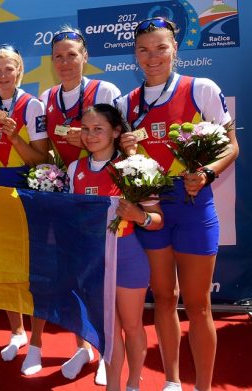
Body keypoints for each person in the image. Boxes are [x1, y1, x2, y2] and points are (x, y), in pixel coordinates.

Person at [116, 17, 238, 391]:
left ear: (175, 49)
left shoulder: (200, 88)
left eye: (160, 48)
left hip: (193, 204)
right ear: (135, 54)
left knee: (199, 305)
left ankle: (202, 386)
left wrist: (206, 174)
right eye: (143, 49)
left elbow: (232, 145)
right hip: (152, 209)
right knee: (165, 298)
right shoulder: (125, 103)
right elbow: (123, 160)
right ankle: (172, 381)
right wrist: (127, 149)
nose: (152, 57)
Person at [28, 27, 122, 383]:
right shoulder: (48, 96)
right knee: (75, 277)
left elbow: (117, 142)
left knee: (103, 278)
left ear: (85, 56)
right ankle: (83, 347)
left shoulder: (106, 91)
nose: (65, 62)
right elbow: (49, 151)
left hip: (103, 195)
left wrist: (84, 140)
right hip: (70, 195)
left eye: (72, 55)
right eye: (58, 57)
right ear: (52, 63)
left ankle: (107, 353)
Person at [70, 104, 164, 391]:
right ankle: (114, 387)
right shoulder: (75, 168)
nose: (90, 135)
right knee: (109, 333)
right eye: (86, 129)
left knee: (133, 327)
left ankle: (133, 384)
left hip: (127, 257)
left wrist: (140, 216)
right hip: (94, 261)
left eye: (98, 128)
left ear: (116, 131)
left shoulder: (134, 167)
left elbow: (157, 221)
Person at [0, 44, 49, 361]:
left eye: (9, 68)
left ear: (19, 70)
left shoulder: (32, 106)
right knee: (6, 267)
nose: (3, 75)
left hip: (26, 189)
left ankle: (37, 340)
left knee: (33, 268)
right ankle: (17, 332)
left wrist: (14, 137)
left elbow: (42, 158)